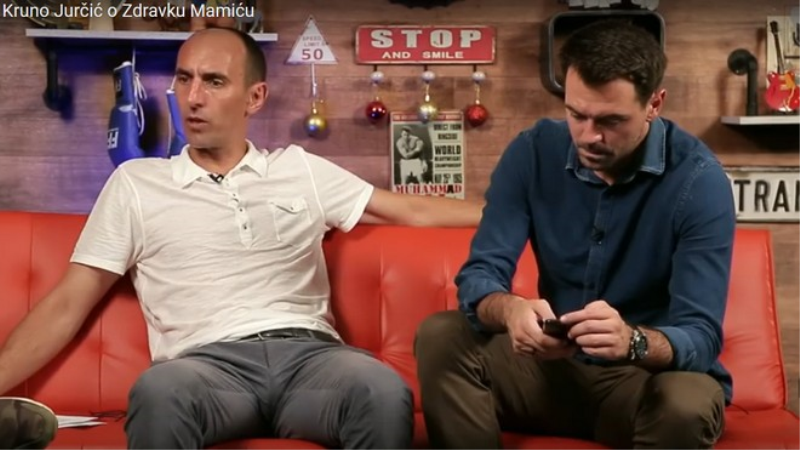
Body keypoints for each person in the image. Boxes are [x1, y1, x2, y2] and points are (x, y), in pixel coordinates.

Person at [0, 27, 483, 450]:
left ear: (255, 97)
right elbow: (70, 301)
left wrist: (515, 214)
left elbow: (412, 210)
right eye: (184, 78)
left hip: (312, 362)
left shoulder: (299, 169)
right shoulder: (137, 183)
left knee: (381, 390)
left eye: (214, 81)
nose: (192, 97)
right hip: (206, 371)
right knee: (158, 392)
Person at [415, 19, 735, 450]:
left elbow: (701, 335)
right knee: (442, 335)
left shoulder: (699, 180)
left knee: (687, 404)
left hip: (641, 383)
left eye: (611, 120)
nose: (589, 136)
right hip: (547, 373)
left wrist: (632, 341)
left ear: (654, 104)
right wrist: (511, 311)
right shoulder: (532, 152)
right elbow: (479, 277)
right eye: (576, 114)